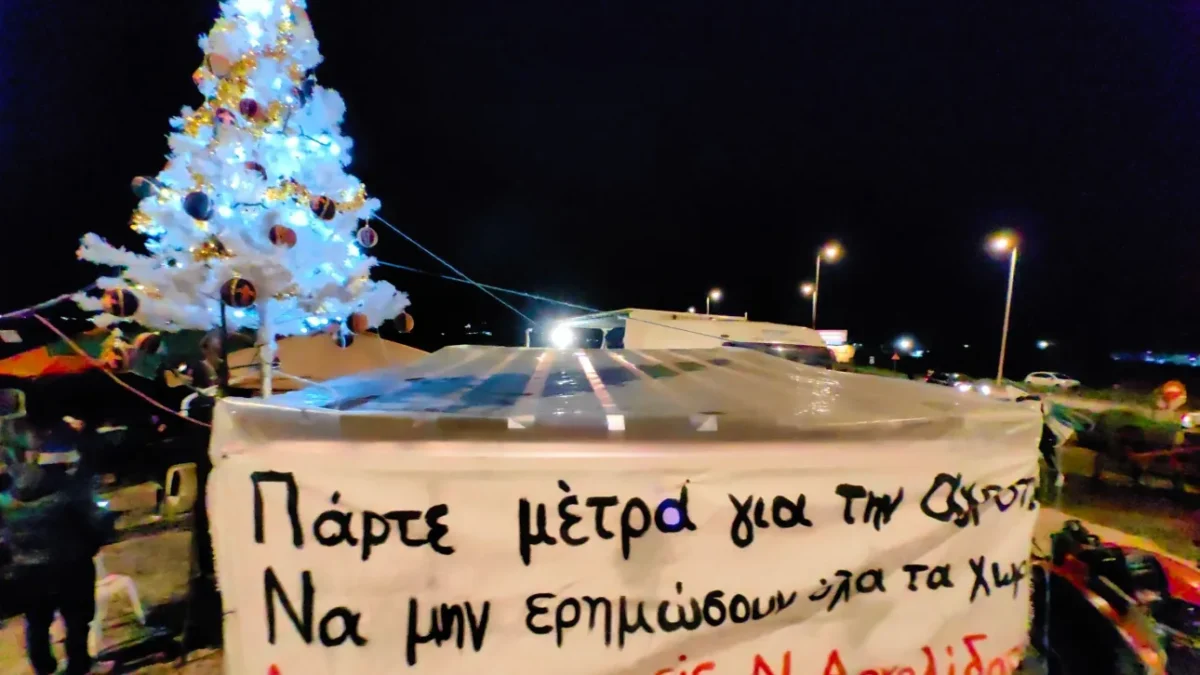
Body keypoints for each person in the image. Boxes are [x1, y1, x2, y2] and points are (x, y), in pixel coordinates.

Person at [0, 441, 116, 675]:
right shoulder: (69, 491)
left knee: (37, 622)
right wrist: (92, 544)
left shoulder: (7, 498)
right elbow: (97, 524)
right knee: (77, 620)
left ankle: (44, 668)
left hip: (27, 569)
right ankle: (79, 666)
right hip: (72, 565)